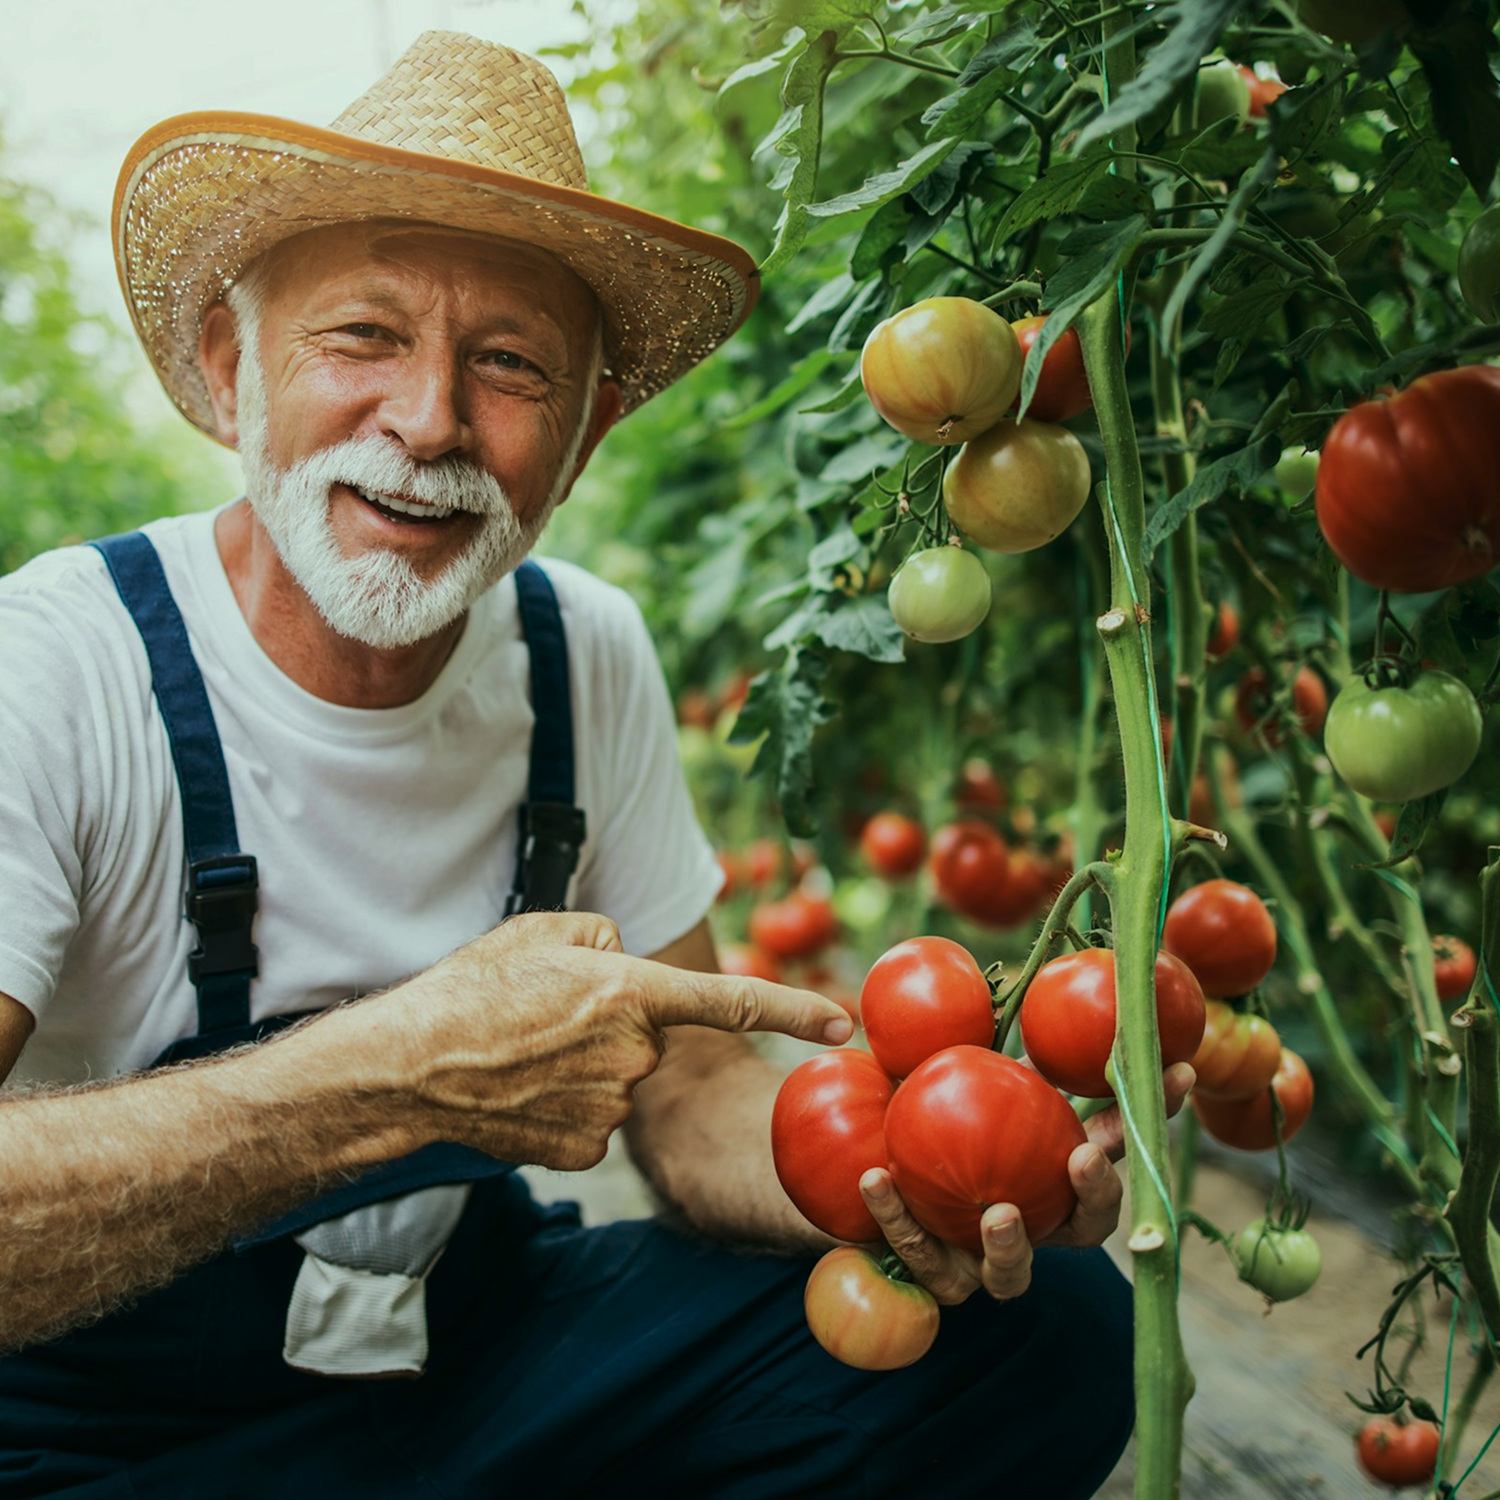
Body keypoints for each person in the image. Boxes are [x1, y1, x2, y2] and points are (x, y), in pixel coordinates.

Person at [0, 32, 1183, 1499]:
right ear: (233, 367)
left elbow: (687, 1108)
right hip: (107, 1423)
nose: (430, 421)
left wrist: (900, 1179)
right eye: (361, 337)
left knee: (1047, 1335)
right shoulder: (57, 664)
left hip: (469, 1358)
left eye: (508, 365)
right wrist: (390, 1079)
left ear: (588, 430)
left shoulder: (579, 652)